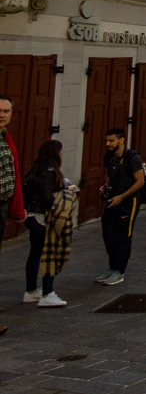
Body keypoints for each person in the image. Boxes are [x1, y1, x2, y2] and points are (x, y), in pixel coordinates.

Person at [22, 140, 77, 307]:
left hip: (32, 216)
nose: (62, 154)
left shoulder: (36, 169)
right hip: (42, 218)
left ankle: (31, 291)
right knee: (50, 252)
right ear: (55, 153)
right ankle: (47, 293)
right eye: (60, 151)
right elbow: (47, 197)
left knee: (36, 253)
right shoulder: (48, 171)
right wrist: (65, 193)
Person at [96, 128, 145, 286]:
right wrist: (106, 186)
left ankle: (119, 271)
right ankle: (112, 267)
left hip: (129, 201)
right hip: (112, 199)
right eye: (107, 141)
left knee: (124, 236)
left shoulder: (133, 158)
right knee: (108, 233)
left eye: (111, 141)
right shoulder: (109, 157)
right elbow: (108, 174)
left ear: (121, 140)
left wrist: (122, 196)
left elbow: (140, 181)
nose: (108, 144)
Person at [0, 95, 24, 334]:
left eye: (7, 111)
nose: (2, 114)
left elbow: (13, 173)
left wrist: (16, 208)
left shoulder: (5, 137)